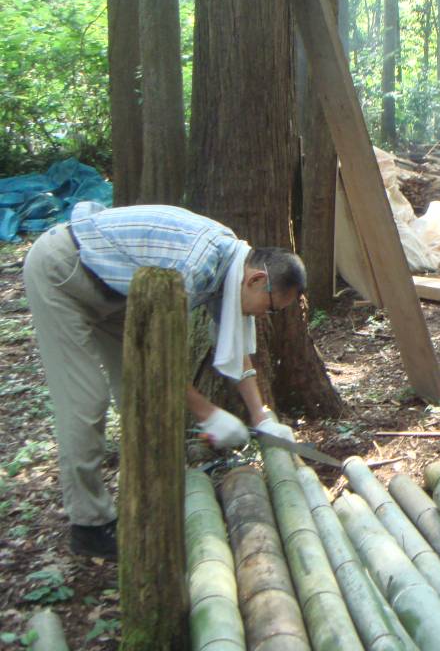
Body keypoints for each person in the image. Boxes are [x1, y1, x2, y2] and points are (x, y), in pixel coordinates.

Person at [22, 204, 305, 558]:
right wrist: (208, 414)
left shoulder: (232, 264)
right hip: (65, 274)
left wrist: (260, 414)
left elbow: (235, 348)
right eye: (272, 306)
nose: (267, 315)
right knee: (85, 403)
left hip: (118, 294)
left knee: (140, 399)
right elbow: (155, 356)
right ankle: (89, 524)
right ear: (256, 280)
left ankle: (147, 501)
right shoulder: (198, 266)